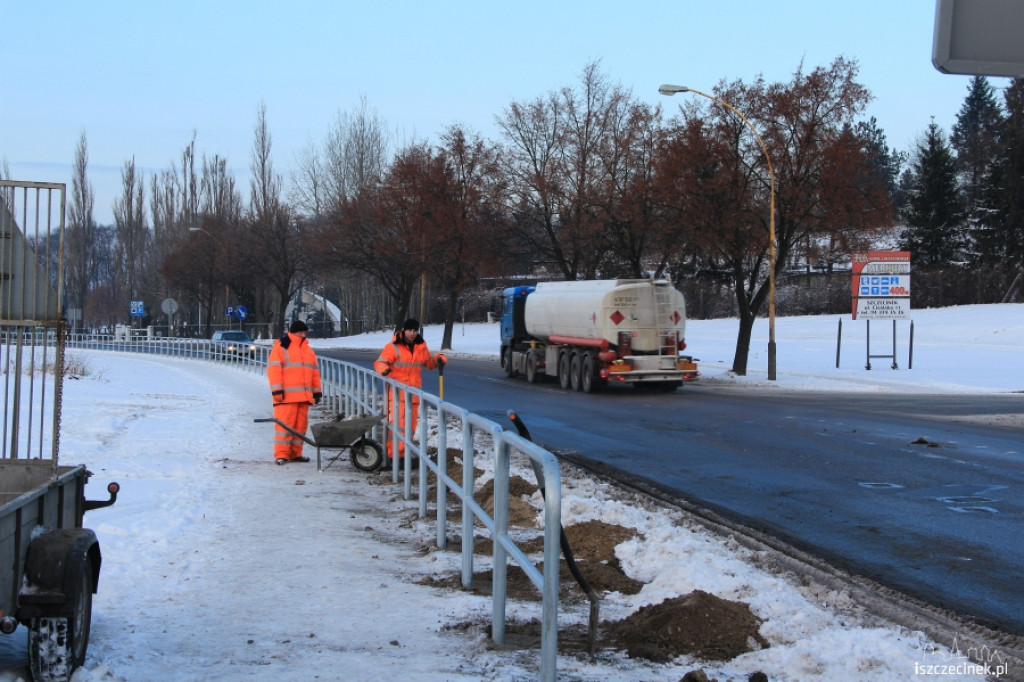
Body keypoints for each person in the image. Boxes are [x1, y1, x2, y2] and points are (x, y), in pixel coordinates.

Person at [373, 318, 446, 462]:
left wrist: (438, 359)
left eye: (415, 330)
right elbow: (379, 362)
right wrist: (384, 370)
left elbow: (428, 363)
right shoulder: (393, 347)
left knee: (410, 427)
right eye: (409, 330)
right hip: (396, 393)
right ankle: (394, 457)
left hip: (413, 394)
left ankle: (403, 455)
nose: (412, 333)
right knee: (397, 426)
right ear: (404, 331)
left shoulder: (421, 347)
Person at [267, 320, 322, 465]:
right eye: (301, 332)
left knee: (300, 428)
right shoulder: (281, 347)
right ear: (294, 332)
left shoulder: (308, 350)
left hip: (303, 397)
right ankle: (281, 455)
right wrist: (277, 391)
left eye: (305, 332)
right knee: (284, 427)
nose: (303, 335)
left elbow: (314, 373)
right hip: (286, 397)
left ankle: (296, 453)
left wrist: (317, 392)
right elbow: (274, 370)